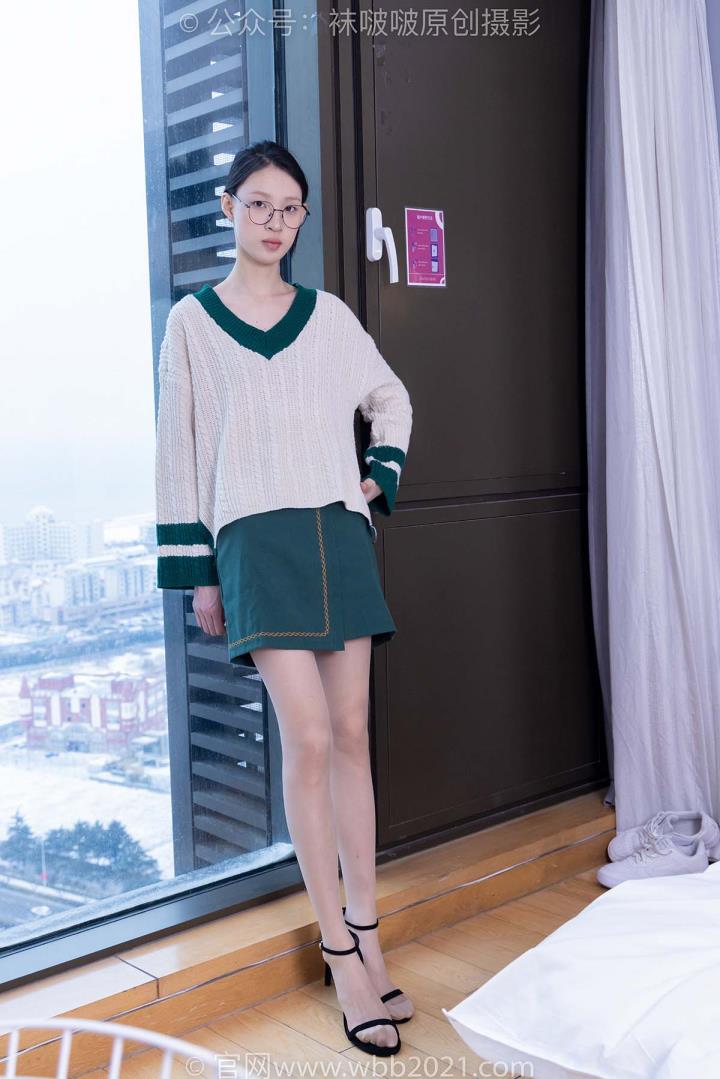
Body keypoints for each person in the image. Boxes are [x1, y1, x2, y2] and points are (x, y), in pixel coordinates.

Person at [154, 140, 413, 1056]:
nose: (274, 221)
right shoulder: (191, 324)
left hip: (338, 533)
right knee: (306, 738)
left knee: (351, 735)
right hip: (254, 545)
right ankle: (339, 951)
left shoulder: (329, 316)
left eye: (290, 208)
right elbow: (180, 451)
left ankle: (371, 934)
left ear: (303, 218)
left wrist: (380, 471)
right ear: (229, 208)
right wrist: (200, 572)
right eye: (258, 204)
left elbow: (390, 396)